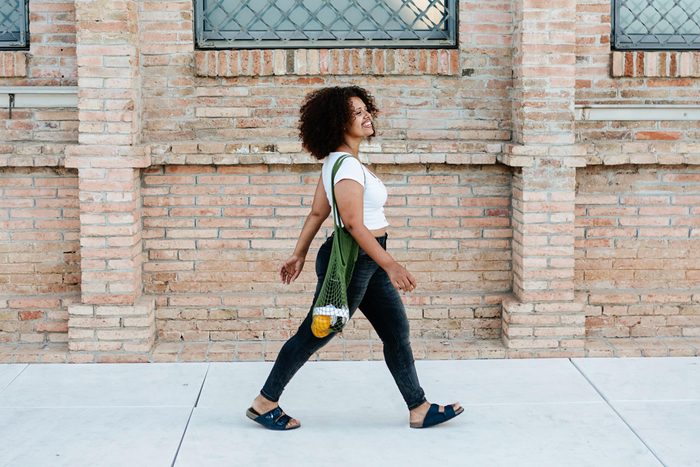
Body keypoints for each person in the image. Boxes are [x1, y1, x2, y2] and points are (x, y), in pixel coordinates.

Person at [246, 85, 463, 430]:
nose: (367, 117)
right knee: (316, 333)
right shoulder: (346, 166)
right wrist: (391, 264)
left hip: (366, 260)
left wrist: (298, 253)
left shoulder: (338, 161)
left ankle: (418, 408)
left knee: (396, 332)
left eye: (366, 110)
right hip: (355, 259)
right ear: (338, 122)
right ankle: (264, 402)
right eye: (357, 113)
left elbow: (318, 212)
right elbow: (351, 223)